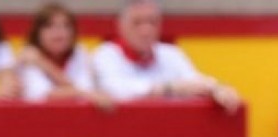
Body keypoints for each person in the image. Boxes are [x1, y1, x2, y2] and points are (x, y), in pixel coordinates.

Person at [90, 0, 239, 111]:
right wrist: (170, 89)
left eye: (152, 22)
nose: (146, 30)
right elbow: (116, 90)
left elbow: (194, 80)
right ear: (120, 26)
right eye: (137, 23)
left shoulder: (171, 53)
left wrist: (217, 89)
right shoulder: (105, 54)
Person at [19, 3, 109, 106]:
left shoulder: (79, 53)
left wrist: (43, 64)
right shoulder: (29, 55)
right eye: (49, 26)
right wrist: (82, 93)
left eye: (66, 26)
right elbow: (41, 96)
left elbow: (85, 88)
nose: (59, 32)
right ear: (37, 33)